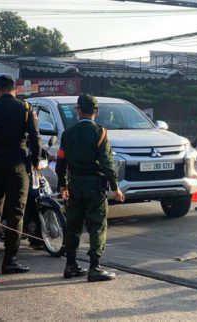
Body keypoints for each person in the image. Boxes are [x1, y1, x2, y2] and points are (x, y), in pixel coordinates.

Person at [56, 94, 125, 282]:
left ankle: (70, 265)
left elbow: (60, 162)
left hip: (74, 184)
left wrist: (62, 184)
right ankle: (95, 267)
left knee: (73, 225)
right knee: (97, 225)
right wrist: (115, 187)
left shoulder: (67, 134)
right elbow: (107, 163)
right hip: (94, 186)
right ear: (96, 111)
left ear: (78, 111)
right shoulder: (100, 132)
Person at [0, 75, 42, 274]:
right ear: (15, 89)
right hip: (17, 167)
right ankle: (10, 260)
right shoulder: (24, 108)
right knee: (15, 213)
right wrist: (36, 162)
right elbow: (35, 138)